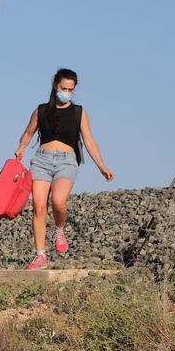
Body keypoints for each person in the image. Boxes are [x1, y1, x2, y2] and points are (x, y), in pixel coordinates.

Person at [15, 68, 115, 271]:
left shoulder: (79, 112)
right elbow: (28, 132)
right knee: (39, 207)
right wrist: (21, 147)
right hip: (42, 160)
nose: (66, 92)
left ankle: (59, 229)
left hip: (66, 161)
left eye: (70, 89)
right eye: (63, 88)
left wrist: (101, 166)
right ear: (55, 86)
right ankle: (40, 255)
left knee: (58, 202)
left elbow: (89, 140)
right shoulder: (41, 110)